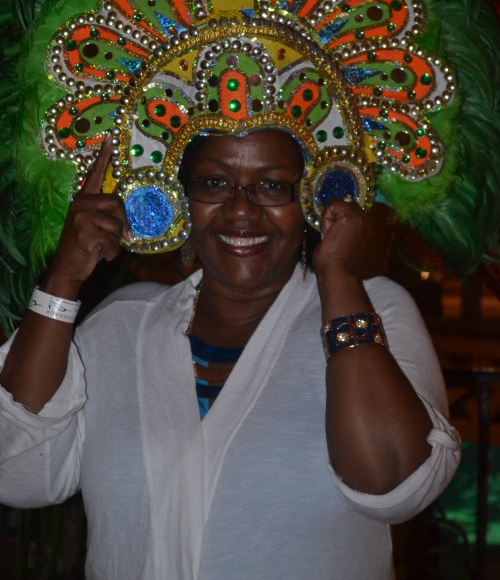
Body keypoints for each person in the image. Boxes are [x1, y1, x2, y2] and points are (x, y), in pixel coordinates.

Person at [0, 128, 460, 579]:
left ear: (312, 200)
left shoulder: (370, 310)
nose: (241, 208)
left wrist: (337, 273)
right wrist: (64, 279)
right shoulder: (124, 322)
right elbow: (19, 473)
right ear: (183, 199)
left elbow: (395, 488)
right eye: (215, 182)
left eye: (273, 185)